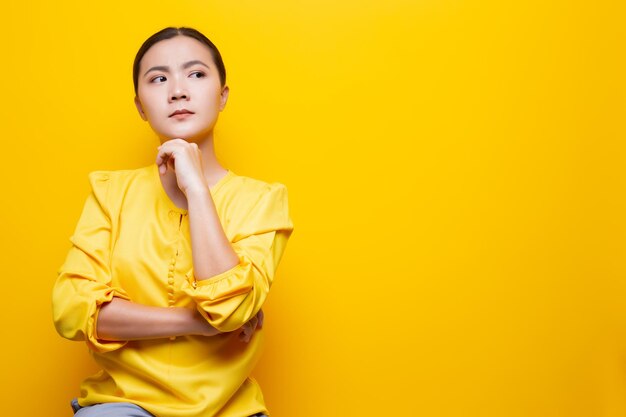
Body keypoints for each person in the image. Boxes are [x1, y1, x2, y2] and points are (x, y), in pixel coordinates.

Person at [52, 26, 294, 417]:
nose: (177, 90)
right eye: (159, 78)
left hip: (230, 409)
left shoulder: (262, 200)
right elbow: (72, 310)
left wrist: (196, 190)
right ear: (140, 106)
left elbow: (230, 312)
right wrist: (197, 323)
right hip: (121, 404)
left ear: (223, 95)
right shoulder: (109, 192)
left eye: (196, 74)